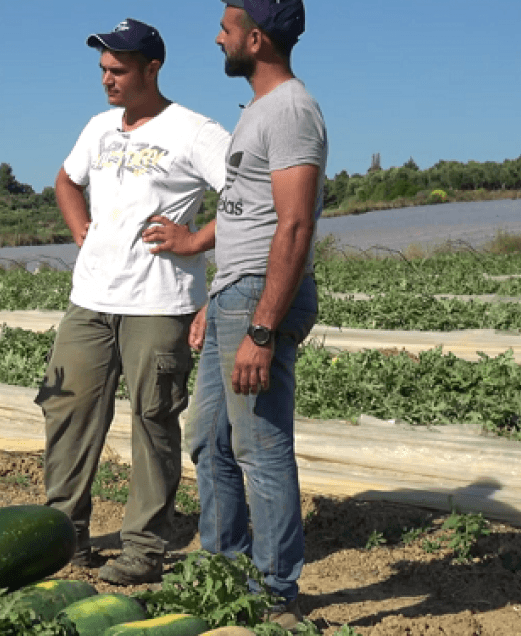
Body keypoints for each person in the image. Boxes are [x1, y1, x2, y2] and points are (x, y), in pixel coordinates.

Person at [35, 18, 230, 585]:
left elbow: (247, 194)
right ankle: (65, 537)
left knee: (153, 421)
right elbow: (67, 181)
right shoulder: (99, 127)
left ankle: (144, 547)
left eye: (118, 70)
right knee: (66, 409)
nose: (107, 79)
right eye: (102, 69)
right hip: (91, 299)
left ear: (152, 69)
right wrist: (83, 232)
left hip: (160, 303)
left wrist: (194, 238)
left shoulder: (195, 130)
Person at [184, 0, 328, 630]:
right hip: (232, 295)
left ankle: (274, 596)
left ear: (258, 40)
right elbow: (248, 212)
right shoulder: (259, 113)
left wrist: (261, 329)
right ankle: (225, 570)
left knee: (261, 447)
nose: (218, 38)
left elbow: (294, 225)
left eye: (227, 29)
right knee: (209, 440)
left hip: (258, 302)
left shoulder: (292, 111)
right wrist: (210, 293)